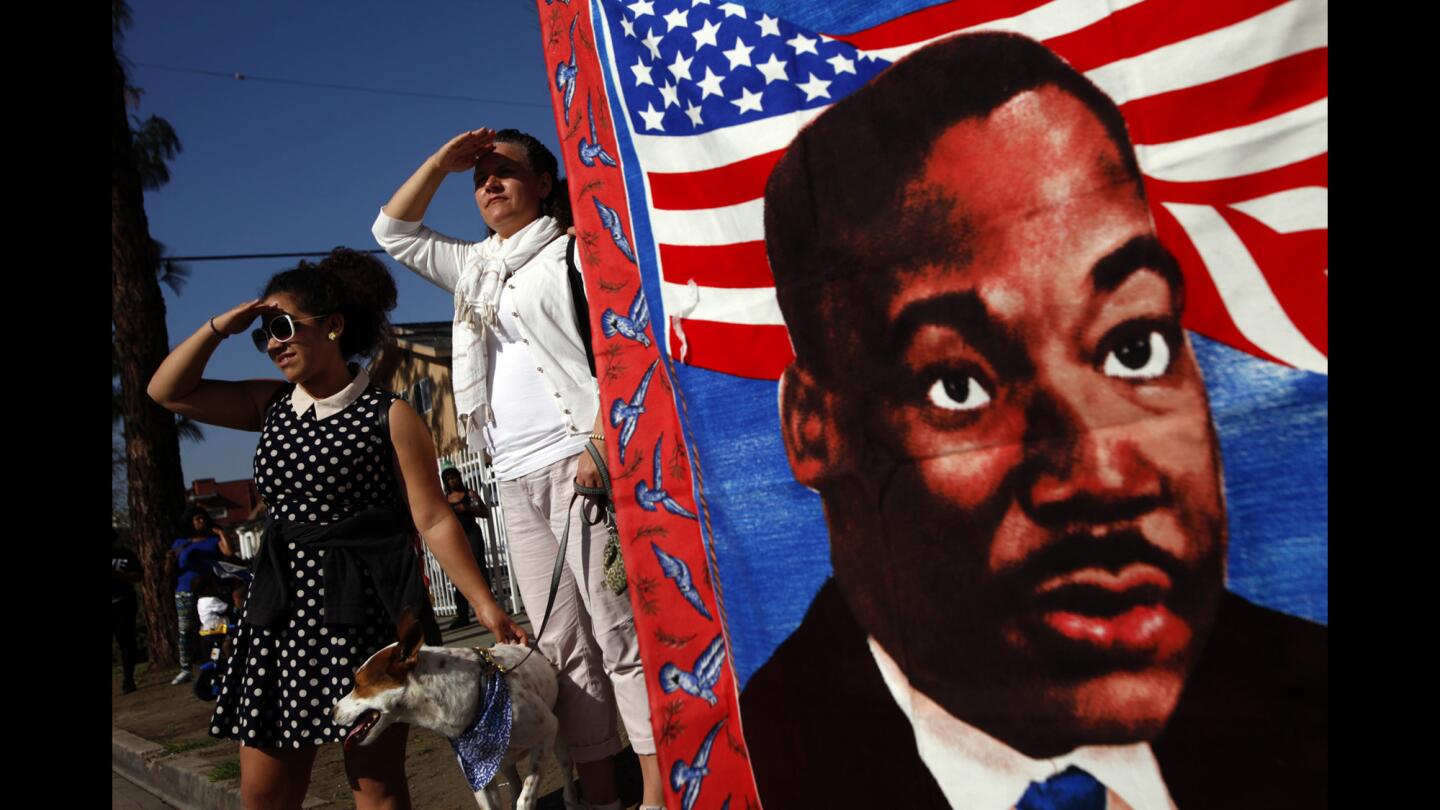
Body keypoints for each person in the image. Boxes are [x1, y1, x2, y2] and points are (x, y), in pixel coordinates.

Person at [739, 31, 1327, 810]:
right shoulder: (754, 765)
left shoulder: (1306, 696)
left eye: (1134, 345)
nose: (1104, 473)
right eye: (957, 384)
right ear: (816, 429)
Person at [147, 247, 524, 810]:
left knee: (377, 788)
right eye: (262, 333)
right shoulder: (269, 402)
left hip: (364, 615)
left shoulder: (389, 412)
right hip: (276, 615)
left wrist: (486, 604)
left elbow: (433, 516)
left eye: (282, 327)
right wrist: (221, 326)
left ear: (333, 327)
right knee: (264, 793)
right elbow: (166, 391)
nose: (272, 342)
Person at [372, 128, 664, 810]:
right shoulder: (473, 266)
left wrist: (600, 442)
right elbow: (392, 228)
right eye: (481, 178)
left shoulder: (574, 252)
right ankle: (598, 791)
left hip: (580, 460)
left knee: (617, 632)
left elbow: (618, 350)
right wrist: (442, 162)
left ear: (544, 184)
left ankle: (656, 787)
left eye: (506, 172)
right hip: (511, 474)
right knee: (560, 647)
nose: (489, 185)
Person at [166, 506, 234, 684]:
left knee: (213, 627)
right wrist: (168, 559)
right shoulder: (181, 543)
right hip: (185, 589)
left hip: (210, 590)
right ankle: (185, 667)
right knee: (186, 629)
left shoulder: (212, 540)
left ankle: (214, 662)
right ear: (190, 522)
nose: (201, 521)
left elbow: (229, 553)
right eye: (197, 519)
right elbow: (170, 569)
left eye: (203, 518)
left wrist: (221, 533)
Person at [441, 466, 491, 630]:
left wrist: (467, 508)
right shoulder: (445, 498)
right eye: (449, 479)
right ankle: (462, 614)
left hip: (472, 535)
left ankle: (490, 606)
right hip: (456, 539)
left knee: (480, 569)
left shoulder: (469, 494)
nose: (453, 481)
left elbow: (485, 512)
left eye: (454, 477)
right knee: (459, 574)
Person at [112, 528, 143, 694]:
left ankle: (128, 680)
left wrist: (119, 576)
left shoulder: (125, 554)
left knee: (126, 643)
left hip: (123, 603)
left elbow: (139, 575)